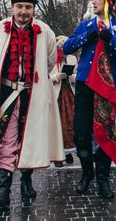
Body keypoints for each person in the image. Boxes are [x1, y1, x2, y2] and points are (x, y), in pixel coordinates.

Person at [0, 0, 64, 207]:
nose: (24, 11)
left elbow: (50, 60)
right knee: (8, 139)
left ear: (33, 9)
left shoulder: (45, 32)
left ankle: (26, 181)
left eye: (28, 7)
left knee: (30, 138)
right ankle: (3, 188)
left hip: (33, 93)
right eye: (20, 7)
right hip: (6, 94)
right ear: (12, 7)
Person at [63, 0, 116, 199]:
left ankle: (104, 180)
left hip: (106, 89)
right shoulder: (85, 25)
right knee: (81, 134)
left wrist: (110, 38)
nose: (93, 1)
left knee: (104, 134)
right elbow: (67, 47)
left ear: (108, 4)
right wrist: (89, 35)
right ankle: (87, 173)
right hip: (85, 85)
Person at [50, 35, 77, 167]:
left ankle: (69, 152)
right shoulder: (51, 58)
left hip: (69, 93)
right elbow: (45, 76)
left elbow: (79, 73)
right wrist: (56, 77)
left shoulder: (72, 58)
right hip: (56, 95)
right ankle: (57, 155)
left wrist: (73, 77)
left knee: (71, 123)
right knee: (57, 124)